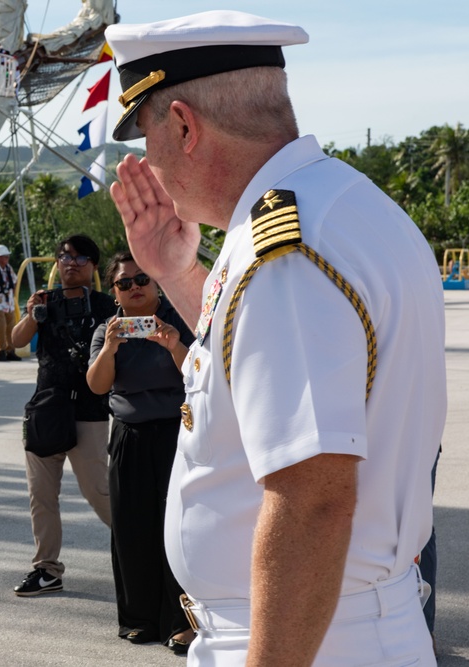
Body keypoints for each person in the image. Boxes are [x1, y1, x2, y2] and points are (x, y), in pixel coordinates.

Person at [106, 10, 446, 665]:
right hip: (347, 624)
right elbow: (253, 358)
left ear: (182, 124)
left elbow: (312, 499)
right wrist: (179, 276)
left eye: (145, 135)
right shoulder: (340, 208)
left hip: (305, 638)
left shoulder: (280, 256)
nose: (146, 160)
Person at [86, 251, 195, 654]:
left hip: (175, 433)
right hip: (129, 435)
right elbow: (97, 386)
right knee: (132, 528)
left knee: (178, 529)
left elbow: (200, 376)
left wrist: (173, 345)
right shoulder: (107, 330)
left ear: (156, 283)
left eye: (142, 279)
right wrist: (110, 347)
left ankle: (183, 621)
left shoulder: (182, 319)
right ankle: (139, 618)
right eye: (124, 283)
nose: (134, 288)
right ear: (113, 291)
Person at [8, 234, 114, 596]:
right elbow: (17, 340)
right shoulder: (44, 302)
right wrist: (32, 316)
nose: (71, 263)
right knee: (42, 495)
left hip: (90, 411)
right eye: (64, 257)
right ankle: (46, 569)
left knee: (98, 490)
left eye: (81, 258)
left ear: (93, 266)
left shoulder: (106, 304)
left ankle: (139, 546)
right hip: (46, 410)